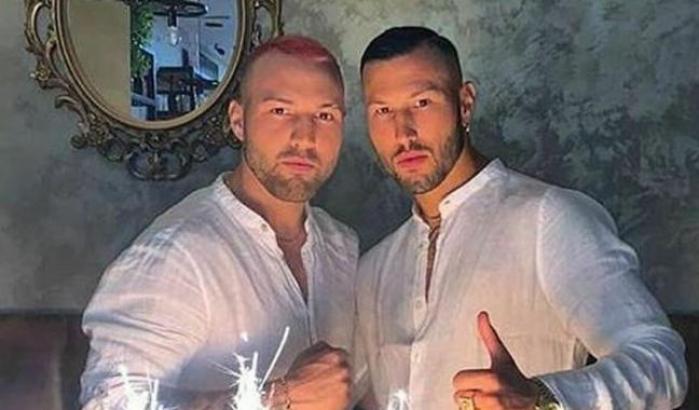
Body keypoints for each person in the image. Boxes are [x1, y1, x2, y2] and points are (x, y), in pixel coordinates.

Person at [355, 26, 688, 410]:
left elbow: (661, 364)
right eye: (383, 111)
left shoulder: (550, 219)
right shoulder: (373, 270)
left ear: (465, 103)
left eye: (422, 102)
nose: (403, 132)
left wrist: (541, 399)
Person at [80, 35, 358, 410]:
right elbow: (109, 404)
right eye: (280, 111)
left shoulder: (343, 247)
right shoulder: (176, 256)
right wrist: (276, 398)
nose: (304, 137)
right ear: (238, 121)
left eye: (324, 116)